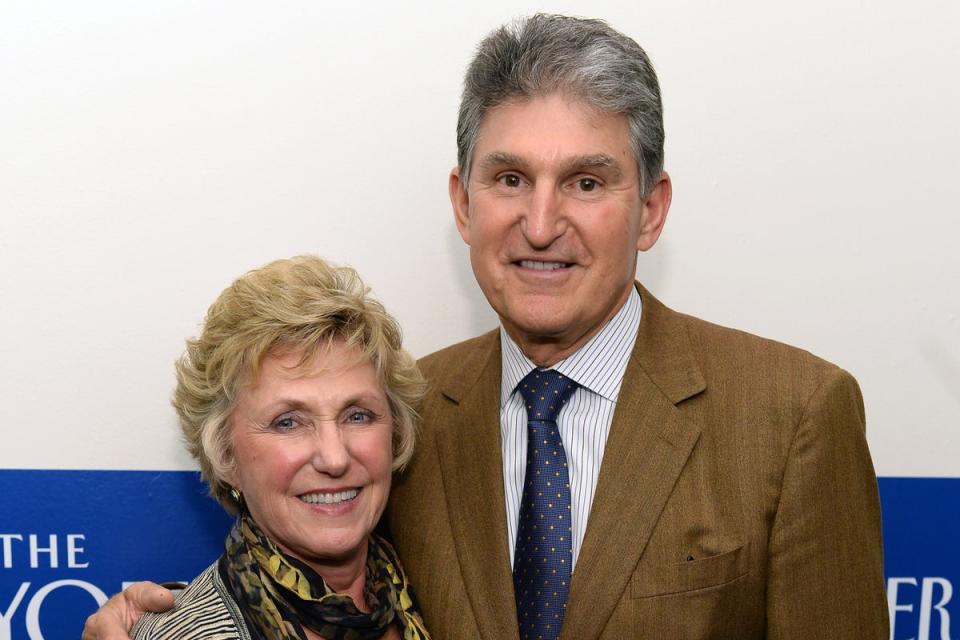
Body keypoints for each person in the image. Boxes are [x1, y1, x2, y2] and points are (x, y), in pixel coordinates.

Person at [84, 13, 888, 640]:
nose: (541, 224)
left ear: (650, 210)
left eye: (585, 181)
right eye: (510, 178)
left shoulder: (792, 416)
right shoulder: (405, 413)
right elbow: (305, 581)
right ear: (464, 205)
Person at [127, 255, 430, 639]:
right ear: (225, 454)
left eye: (357, 416)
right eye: (288, 422)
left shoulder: (428, 593)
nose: (334, 458)